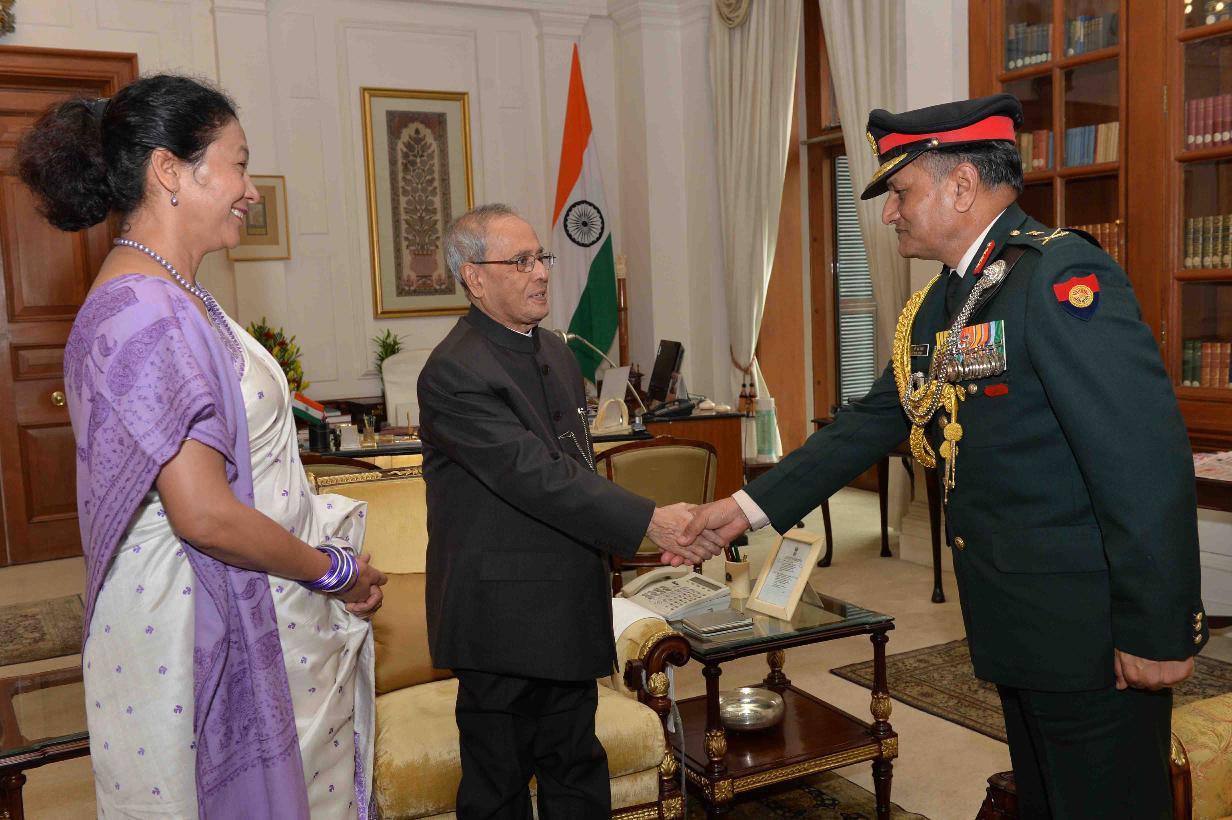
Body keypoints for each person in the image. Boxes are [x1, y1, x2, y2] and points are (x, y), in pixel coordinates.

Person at [684, 94, 1207, 819]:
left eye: (900, 192)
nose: (890, 214)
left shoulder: (1057, 278)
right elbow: (872, 420)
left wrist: (1156, 628)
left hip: (1091, 635)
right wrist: (743, 509)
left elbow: (1141, 462)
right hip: (1018, 622)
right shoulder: (948, 300)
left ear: (961, 186)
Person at [17, 74, 387, 818]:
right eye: (238, 164)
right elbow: (205, 515)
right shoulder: (142, 310)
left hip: (260, 596)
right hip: (193, 628)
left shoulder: (174, 292)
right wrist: (334, 571)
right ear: (170, 170)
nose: (251, 189)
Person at [417, 203, 718, 819]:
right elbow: (536, 477)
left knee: (578, 775)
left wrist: (634, 533)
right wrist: (651, 520)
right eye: (521, 261)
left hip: (568, 604)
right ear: (475, 278)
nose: (541, 273)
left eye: (541, 257)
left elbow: (577, 465)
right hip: (499, 621)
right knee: (498, 790)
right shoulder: (452, 370)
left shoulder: (555, 349)